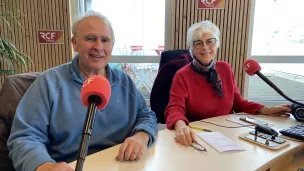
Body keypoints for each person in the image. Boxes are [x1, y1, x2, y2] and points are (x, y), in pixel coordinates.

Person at [7, 11, 158, 171]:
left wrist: (141, 136)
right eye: (90, 39)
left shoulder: (124, 81)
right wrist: (45, 166)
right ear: (74, 43)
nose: (98, 47)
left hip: (122, 165)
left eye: (105, 40)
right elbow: (24, 137)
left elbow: (145, 115)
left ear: (112, 45)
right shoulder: (48, 83)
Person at [164, 20, 290, 147]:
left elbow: (237, 102)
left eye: (210, 41)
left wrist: (265, 109)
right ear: (190, 48)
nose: (205, 47)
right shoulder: (182, 75)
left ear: (217, 44)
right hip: (198, 136)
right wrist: (180, 125)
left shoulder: (225, 68)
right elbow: (174, 108)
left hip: (227, 134)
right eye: (198, 43)